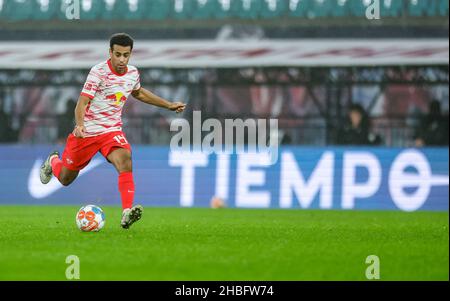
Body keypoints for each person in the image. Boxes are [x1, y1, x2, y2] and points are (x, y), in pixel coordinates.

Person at [39, 33, 186, 229]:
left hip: (111, 131)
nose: (122, 60)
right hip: (87, 133)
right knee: (65, 178)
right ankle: (53, 161)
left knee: (125, 159)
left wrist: (168, 105)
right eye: (118, 54)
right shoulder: (98, 72)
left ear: (131, 54)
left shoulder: (132, 73)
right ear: (110, 52)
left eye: (126, 55)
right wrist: (80, 125)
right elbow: (82, 103)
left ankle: (126, 212)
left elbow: (138, 92)